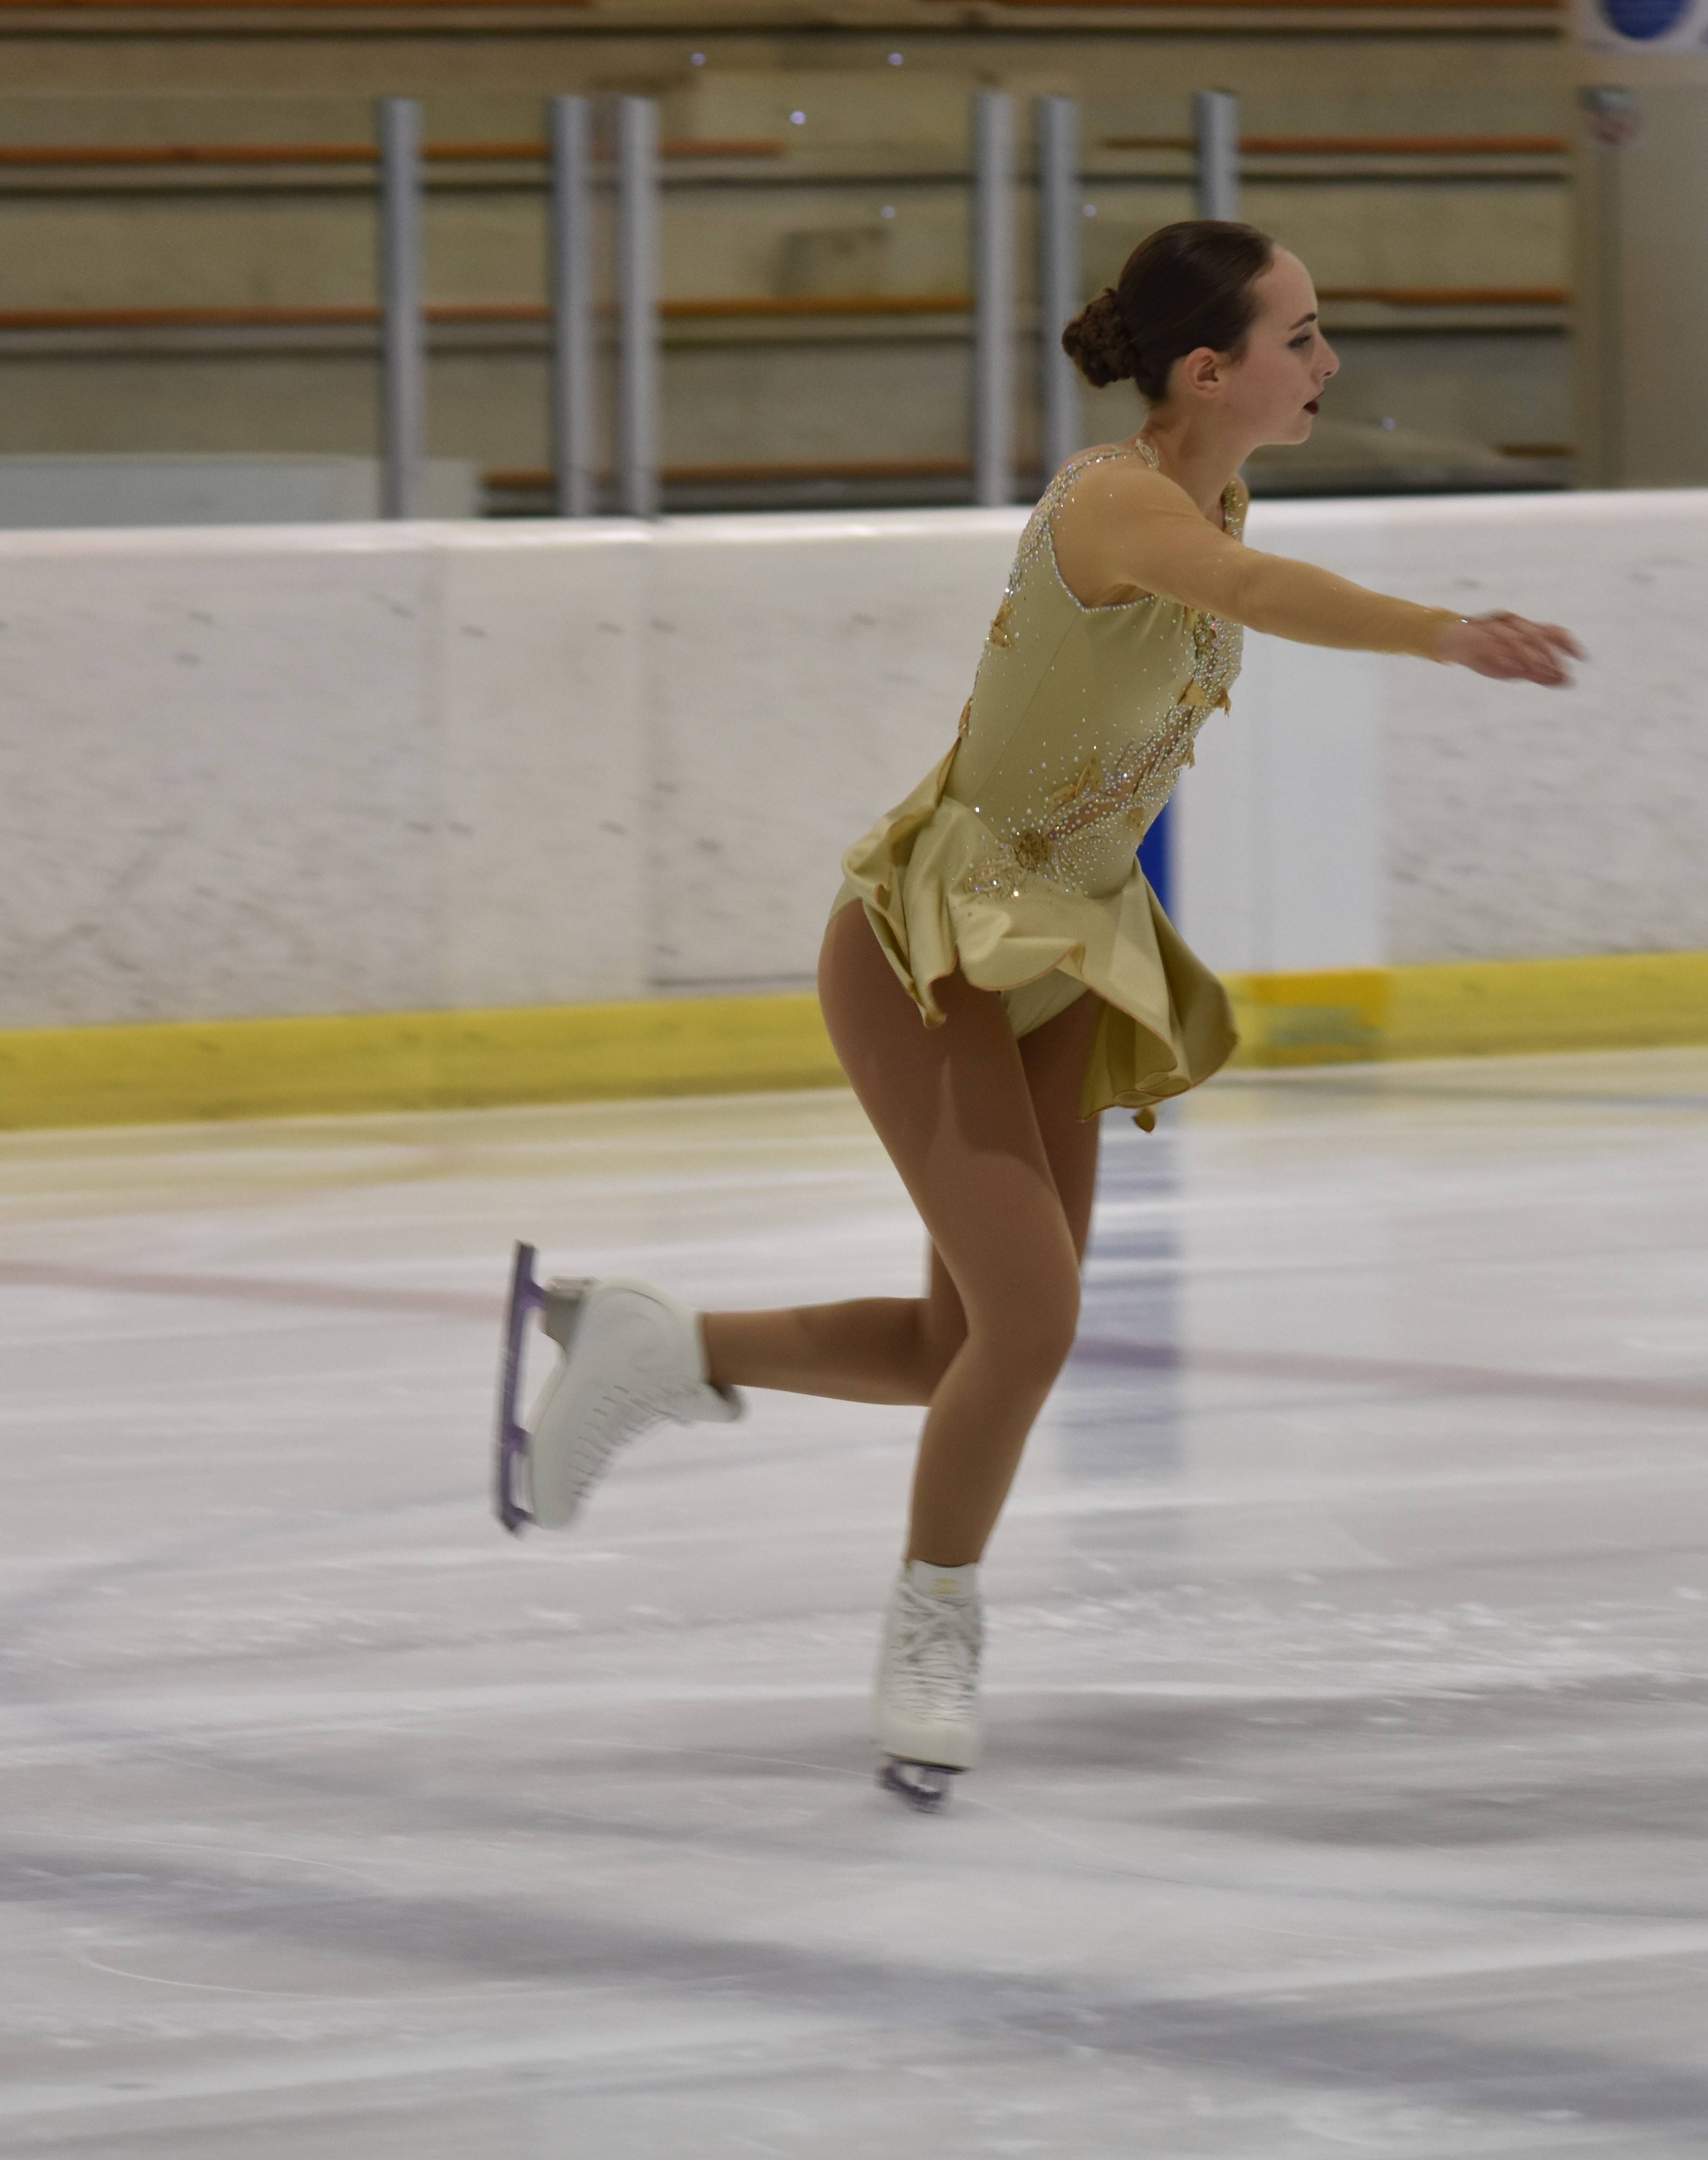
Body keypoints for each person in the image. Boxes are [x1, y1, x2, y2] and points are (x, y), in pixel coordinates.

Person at [504, 220, 1583, 1810]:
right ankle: (933, 1626)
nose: (1328, 361)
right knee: (1031, 1327)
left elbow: (1235, 570)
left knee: (965, 1343)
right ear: (1206, 371)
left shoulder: (1217, 488)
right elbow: (1245, 590)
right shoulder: (1120, 503)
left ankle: (656, 1347)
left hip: (1065, 954)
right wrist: (1440, 629)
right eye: (1300, 336)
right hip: (934, 947)